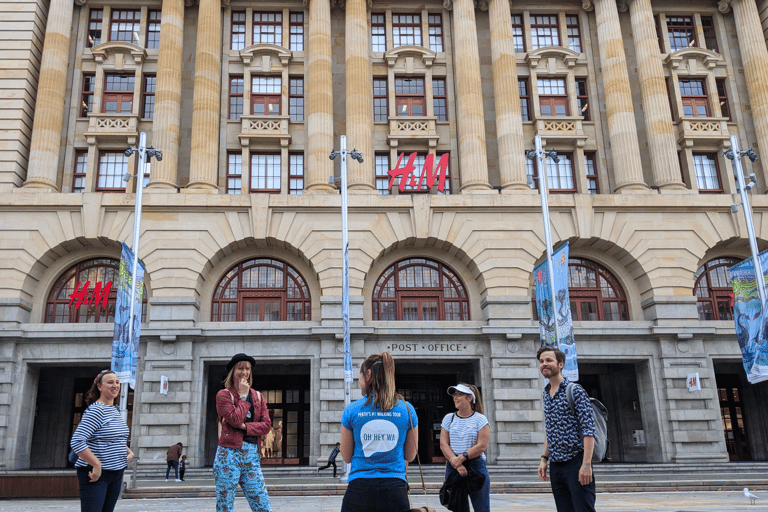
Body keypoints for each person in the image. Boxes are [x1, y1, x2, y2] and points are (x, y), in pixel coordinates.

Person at [340, 352, 418, 512]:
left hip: (359, 489)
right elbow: (410, 455)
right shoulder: (407, 410)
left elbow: (346, 456)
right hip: (395, 488)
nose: (359, 381)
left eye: (360, 376)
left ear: (368, 375)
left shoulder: (351, 410)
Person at [537, 346, 596, 512]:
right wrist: (544, 458)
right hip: (556, 465)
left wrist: (586, 464)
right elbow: (551, 428)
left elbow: (589, 430)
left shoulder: (575, 391)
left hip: (575, 461)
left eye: (549, 360)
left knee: (583, 509)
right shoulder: (546, 393)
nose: (544, 364)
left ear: (560, 364)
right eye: (541, 361)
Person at [214, 353, 273, 512]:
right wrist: (243, 396)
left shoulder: (259, 397)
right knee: (225, 506)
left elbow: (266, 425)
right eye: (240, 368)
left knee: (262, 505)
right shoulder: (224, 395)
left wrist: (245, 427)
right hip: (228, 456)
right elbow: (234, 419)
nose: (244, 372)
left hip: (251, 457)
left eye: (247, 369)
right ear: (233, 371)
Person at [70, 369, 134, 512]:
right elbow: (77, 441)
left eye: (117, 382)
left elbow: (116, 437)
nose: (115, 385)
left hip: (116, 472)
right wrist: (96, 464)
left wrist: (129, 451)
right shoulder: (96, 411)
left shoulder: (115, 409)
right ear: (99, 386)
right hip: (96, 474)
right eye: (110, 382)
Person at [439, 383, 490, 512]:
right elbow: (443, 444)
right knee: (458, 507)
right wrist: (456, 462)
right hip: (453, 465)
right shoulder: (448, 418)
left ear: (470, 398)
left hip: (475, 466)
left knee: (482, 508)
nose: (455, 397)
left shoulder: (480, 419)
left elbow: (481, 446)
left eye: (459, 394)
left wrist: (462, 458)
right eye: (455, 395)